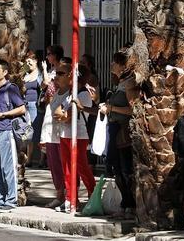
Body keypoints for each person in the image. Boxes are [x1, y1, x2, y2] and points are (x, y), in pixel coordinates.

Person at [99, 50, 139, 220]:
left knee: (125, 169)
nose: (111, 65)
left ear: (123, 66)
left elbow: (132, 109)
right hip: (114, 129)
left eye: (115, 62)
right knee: (116, 168)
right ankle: (125, 204)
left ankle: (130, 206)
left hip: (123, 131)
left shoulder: (130, 84)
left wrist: (111, 109)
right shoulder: (120, 84)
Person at [0, 59, 26, 210]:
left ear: (5, 72)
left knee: (7, 167)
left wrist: (3, 115)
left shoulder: (11, 88)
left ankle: (10, 201)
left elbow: (22, 109)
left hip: (6, 131)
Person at [56, 63, 96, 213]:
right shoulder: (69, 94)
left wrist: (63, 115)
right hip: (65, 134)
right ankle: (70, 198)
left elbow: (68, 116)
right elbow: (58, 113)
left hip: (78, 135)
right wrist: (62, 115)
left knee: (81, 167)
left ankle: (93, 195)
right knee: (67, 168)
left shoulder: (83, 94)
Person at [39, 44, 66, 208]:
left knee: (61, 159)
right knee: (52, 159)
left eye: (49, 54)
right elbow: (44, 87)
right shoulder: (50, 73)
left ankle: (66, 194)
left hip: (59, 116)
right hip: (49, 115)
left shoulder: (60, 72)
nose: (47, 57)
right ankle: (59, 193)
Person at [22, 50, 43, 166]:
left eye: (30, 62)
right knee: (28, 132)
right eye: (27, 62)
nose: (28, 64)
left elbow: (43, 87)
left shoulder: (39, 75)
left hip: (35, 105)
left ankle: (41, 159)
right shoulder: (26, 75)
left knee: (37, 131)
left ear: (36, 62)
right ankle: (29, 159)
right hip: (26, 105)